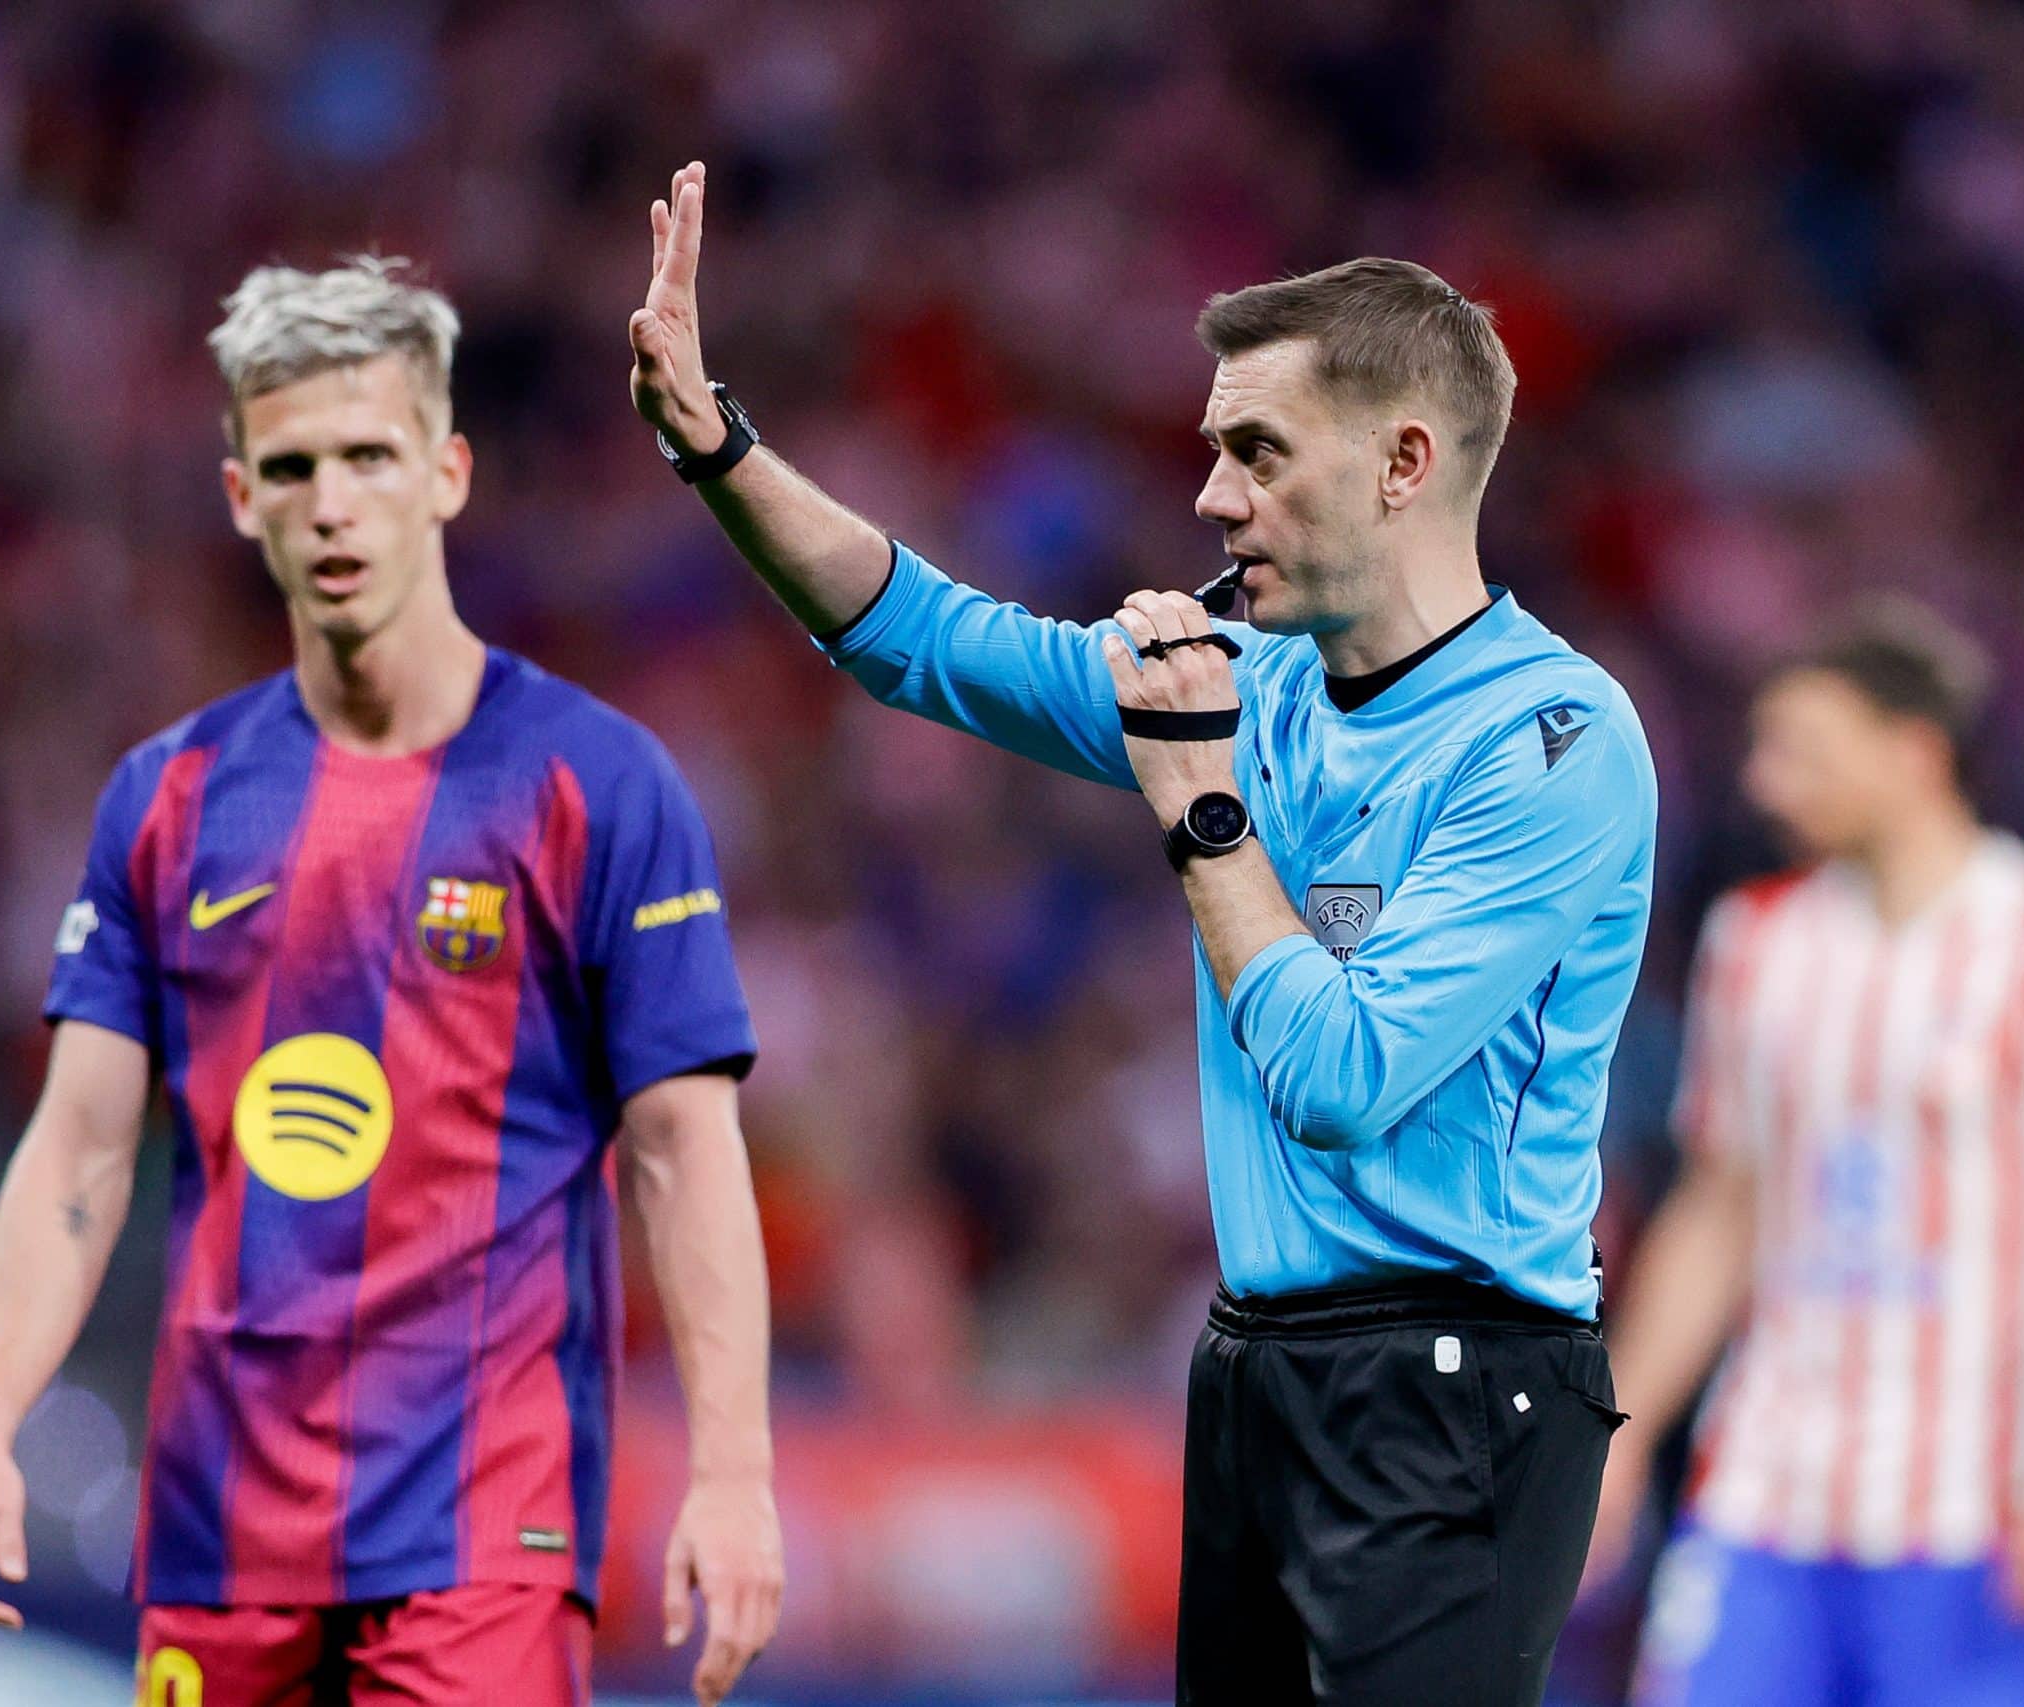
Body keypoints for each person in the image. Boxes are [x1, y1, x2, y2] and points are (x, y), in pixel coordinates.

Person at [626, 161, 1656, 1705]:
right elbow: (923, 642)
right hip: (1255, 1370)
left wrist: (1200, 799)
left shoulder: (1553, 739)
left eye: (1258, 452)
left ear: (1404, 461)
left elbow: (1342, 1077)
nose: (1212, 498)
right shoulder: (1255, 680)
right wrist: (718, 448)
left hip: (1457, 1383)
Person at [0, 258, 784, 1707]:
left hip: (484, 1531)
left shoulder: (597, 783)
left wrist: (735, 1474)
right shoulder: (168, 796)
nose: (331, 503)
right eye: (292, 466)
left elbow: (685, 1148)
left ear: (447, 474)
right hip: (217, 1525)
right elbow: (79, 1146)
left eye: (370, 457)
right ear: (240, 495)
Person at [1588, 611, 2024, 1705]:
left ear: (1915, 753)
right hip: (1763, 1490)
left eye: (1805, 750)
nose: (1767, 782)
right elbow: (1720, 1211)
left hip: (1966, 1508)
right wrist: (1619, 1435)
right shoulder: (1755, 939)